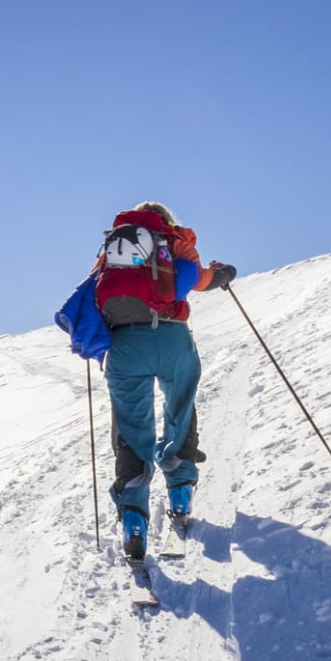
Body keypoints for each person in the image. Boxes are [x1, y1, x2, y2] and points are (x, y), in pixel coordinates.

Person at [91, 201, 236, 561]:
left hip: (123, 345)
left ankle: (134, 522)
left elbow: (93, 288)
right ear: (166, 218)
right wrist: (223, 274)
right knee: (179, 409)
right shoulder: (173, 240)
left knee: (130, 427)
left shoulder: (113, 246)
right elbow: (197, 279)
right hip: (171, 337)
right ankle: (181, 491)